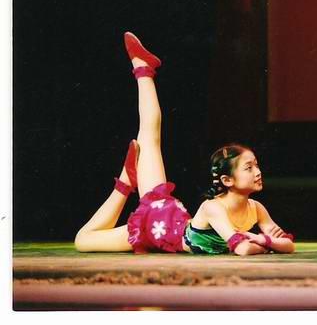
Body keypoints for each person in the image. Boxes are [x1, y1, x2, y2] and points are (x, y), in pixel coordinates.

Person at [74, 32, 295, 256]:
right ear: (227, 180)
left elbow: (287, 245)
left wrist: (264, 239)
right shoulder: (213, 208)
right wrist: (265, 242)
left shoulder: (256, 209)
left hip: (167, 225)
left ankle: (127, 179)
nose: (258, 172)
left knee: (149, 141)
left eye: (256, 165)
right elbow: (242, 248)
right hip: (155, 224)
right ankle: (143, 71)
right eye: (249, 167)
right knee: (83, 240)